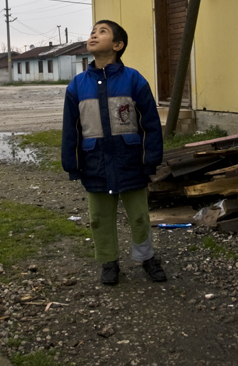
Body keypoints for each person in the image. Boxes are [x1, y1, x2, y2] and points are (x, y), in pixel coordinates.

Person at [61, 20, 166, 285]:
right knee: (99, 219)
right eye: (92, 32)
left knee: (140, 216)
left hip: (130, 162)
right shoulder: (77, 86)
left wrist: (149, 158)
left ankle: (146, 257)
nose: (94, 35)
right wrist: (72, 163)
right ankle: (109, 262)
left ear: (117, 46)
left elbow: (150, 124)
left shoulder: (134, 80)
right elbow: (71, 129)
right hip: (94, 163)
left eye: (102, 31)